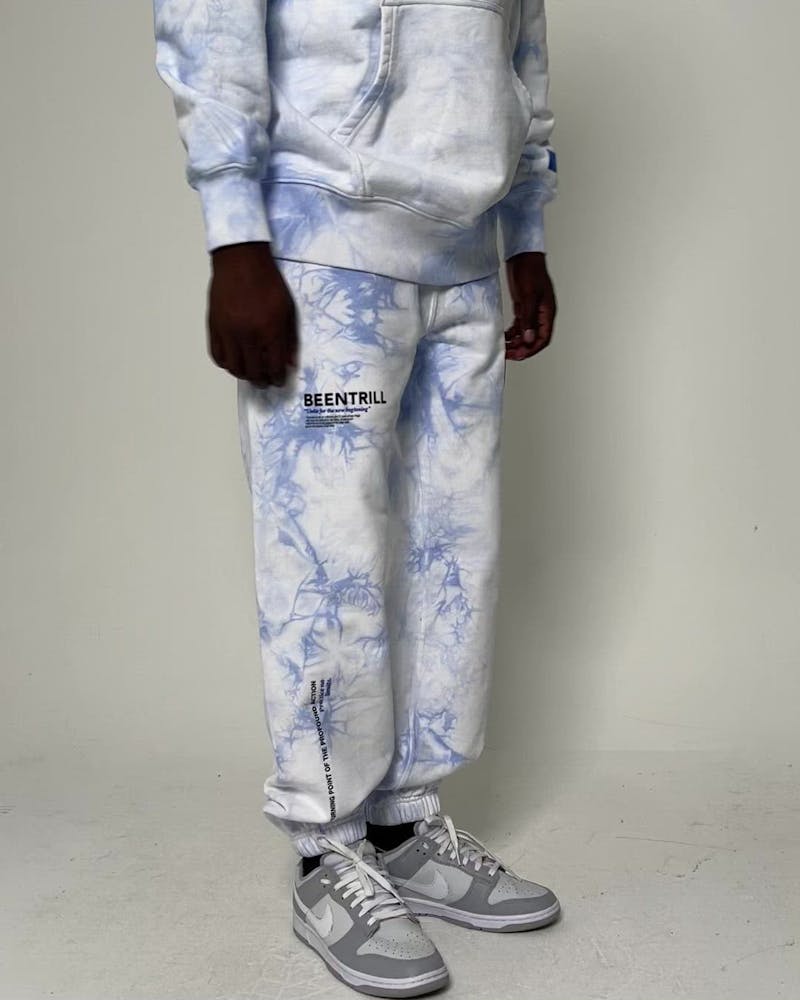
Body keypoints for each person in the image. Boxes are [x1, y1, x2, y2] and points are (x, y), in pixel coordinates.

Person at [152, 1, 561, 994]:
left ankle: (405, 825)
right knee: (327, 562)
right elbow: (210, 30)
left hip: (466, 258)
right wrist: (235, 237)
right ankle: (327, 849)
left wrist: (525, 233)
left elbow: (521, 55)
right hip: (324, 245)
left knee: (451, 555)